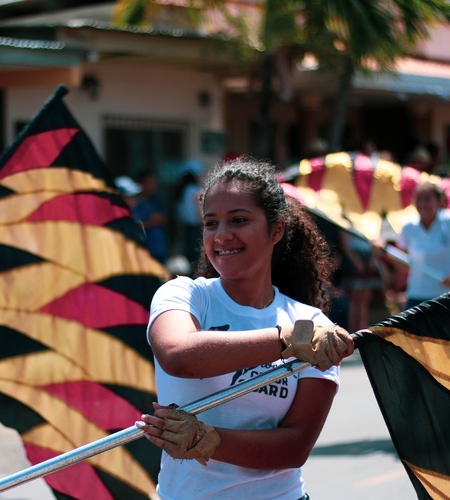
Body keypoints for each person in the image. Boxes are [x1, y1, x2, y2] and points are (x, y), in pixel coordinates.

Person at [134, 157, 354, 499]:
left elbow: (294, 447)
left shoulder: (315, 326)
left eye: (238, 220)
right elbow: (177, 356)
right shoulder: (184, 295)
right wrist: (286, 340)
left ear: (276, 230)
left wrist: (208, 440)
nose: (222, 235)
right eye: (210, 223)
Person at [381, 182, 450, 309]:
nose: (422, 204)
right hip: (416, 298)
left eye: (427, 199)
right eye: (419, 200)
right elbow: (404, 266)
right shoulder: (408, 227)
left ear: (439, 201)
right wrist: (385, 252)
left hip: (448, 296)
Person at [133, 170, 169, 264]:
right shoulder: (134, 203)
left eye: (154, 183)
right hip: (143, 250)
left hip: (159, 248)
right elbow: (136, 224)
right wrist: (150, 222)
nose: (153, 186)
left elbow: (163, 219)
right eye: (150, 182)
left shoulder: (155, 201)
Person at [174, 158, 204, 271]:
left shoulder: (181, 191)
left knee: (189, 262)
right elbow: (200, 216)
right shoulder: (195, 191)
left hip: (185, 230)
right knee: (197, 263)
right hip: (196, 231)